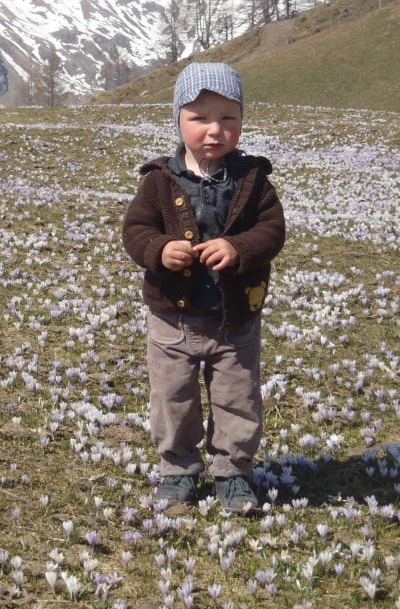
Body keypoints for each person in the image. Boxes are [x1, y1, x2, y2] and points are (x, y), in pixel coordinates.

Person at [122, 62, 285, 512]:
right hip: (172, 320)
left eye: (228, 118)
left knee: (237, 398)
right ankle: (178, 470)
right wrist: (158, 250)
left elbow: (272, 231)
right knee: (173, 398)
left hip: (235, 320)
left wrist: (238, 248)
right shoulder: (159, 180)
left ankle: (233, 472)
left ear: (242, 121)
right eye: (200, 118)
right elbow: (134, 230)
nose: (215, 130)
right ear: (178, 119)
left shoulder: (253, 182)